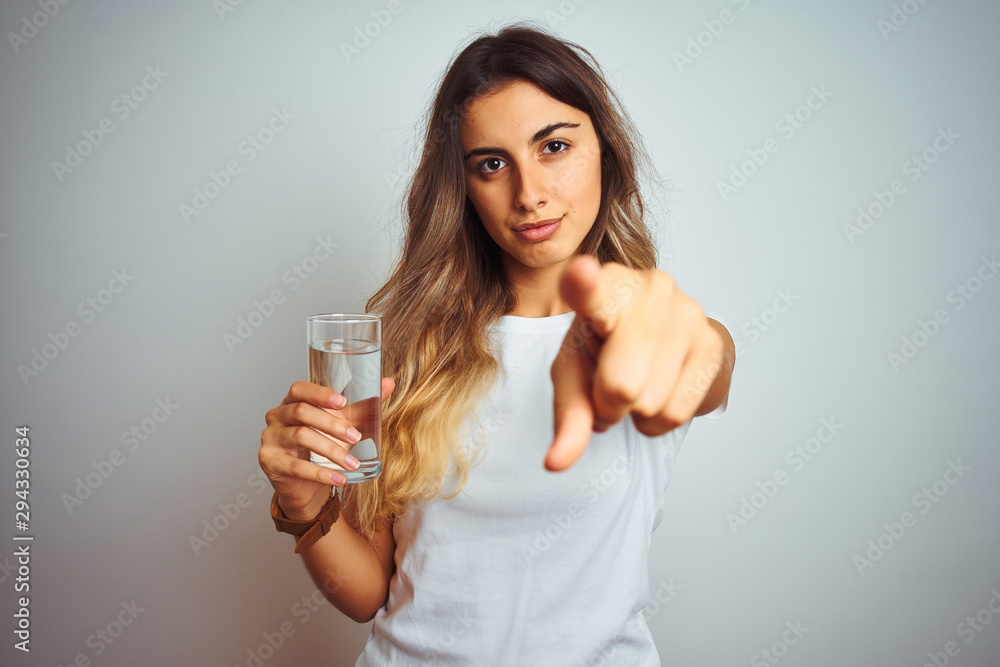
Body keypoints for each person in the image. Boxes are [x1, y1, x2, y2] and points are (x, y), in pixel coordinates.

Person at [259, 21, 736, 666]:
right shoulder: (410, 351)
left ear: (606, 152)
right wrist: (305, 503)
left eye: (554, 147)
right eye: (492, 164)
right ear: (463, 189)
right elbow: (370, 593)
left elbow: (704, 363)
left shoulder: (645, 327)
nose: (529, 193)